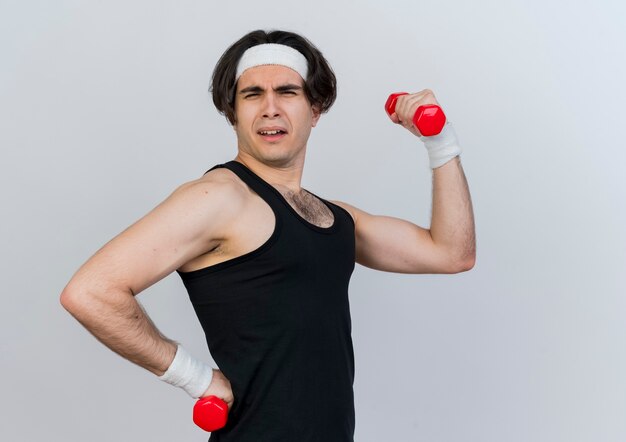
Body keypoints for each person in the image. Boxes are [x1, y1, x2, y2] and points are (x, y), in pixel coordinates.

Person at [60, 29, 476, 441]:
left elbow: (452, 253)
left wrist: (440, 142)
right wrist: (197, 379)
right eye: (252, 94)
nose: (270, 109)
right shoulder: (219, 197)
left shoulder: (334, 218)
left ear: (315, 110)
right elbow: (91, 291)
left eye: (288, 92)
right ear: (233, 111)